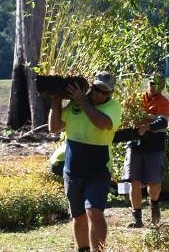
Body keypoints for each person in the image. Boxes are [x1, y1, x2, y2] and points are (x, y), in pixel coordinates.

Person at [48, 71, 122, 252]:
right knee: (79, 216)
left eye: (105, 92)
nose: (99, 94)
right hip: (72, 170)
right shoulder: (75, 104)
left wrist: (84, 102)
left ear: (111, 94)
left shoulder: (113, 107)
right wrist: (55, 101)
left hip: (98, 169)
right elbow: (54, 127)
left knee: (94, 212)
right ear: (92, 86)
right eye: (97, 89)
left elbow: (102, 124)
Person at [123, 72, 169, 228]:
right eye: (151, 83)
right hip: (134, 144)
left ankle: (155, 205)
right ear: (147, 83)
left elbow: (162, 123)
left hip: (154, 146)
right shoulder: (136, 99)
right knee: (133, 181)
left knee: (154, 182)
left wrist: (147, 126)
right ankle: (137, 218)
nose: (153, 86)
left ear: (162, 86)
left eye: (157, 84)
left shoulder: (163, 102)